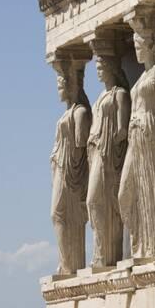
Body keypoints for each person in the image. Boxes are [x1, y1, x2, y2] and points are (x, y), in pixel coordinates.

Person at [119, 32, 155, 258]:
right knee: (125, 193)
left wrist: (150, 130)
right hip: (135, 139)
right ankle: (138, 242)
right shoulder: (142, 78)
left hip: (150, 138)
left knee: (153, 191)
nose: (136, 50)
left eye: (139, 45)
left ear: (151, 46)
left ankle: (154, 247)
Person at [87, 55, 130, 267]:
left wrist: (108, 141)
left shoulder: (119, 95)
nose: (98, 70)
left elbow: (122, 129)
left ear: (112, 67)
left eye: (102, 66)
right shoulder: (100, 97)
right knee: (94, 202)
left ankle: (107, 254)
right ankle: (100, 253)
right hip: (95, 152)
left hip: (107, 153)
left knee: (96, 200)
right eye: (97, 67)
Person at [50, 66, 91, 274]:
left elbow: (81, 148)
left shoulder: (80, 113)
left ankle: (71, 264)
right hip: (60, 168)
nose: (58, 89)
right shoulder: (69, 112)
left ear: (71, 84)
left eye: (61, 84)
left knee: (61, 214)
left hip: (70, 172)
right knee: (58, 215)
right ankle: (67, 263)